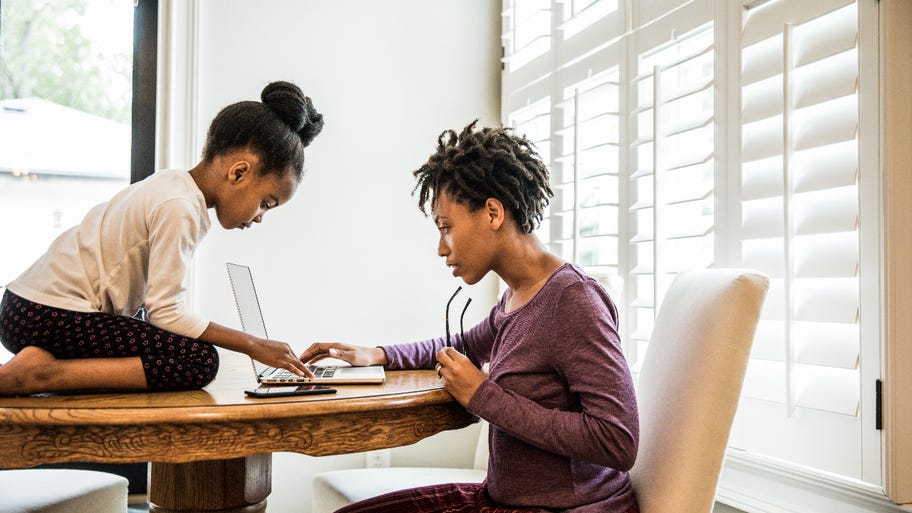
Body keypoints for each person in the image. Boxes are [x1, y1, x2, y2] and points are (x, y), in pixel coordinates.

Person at [300, 121, 639, 513]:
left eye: (447, 228)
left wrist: (483, 396)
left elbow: (618, 439)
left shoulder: (574, 300)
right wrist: (375, 354)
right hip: (498, 500)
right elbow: (459, 346)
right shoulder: (516, 297)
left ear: (492, 212)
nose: (441, 249)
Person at [0, 81, 323, 395]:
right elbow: (165, 311)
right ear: (239, 172)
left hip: (25, 308)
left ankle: (44, 364)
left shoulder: (173, 185)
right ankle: (41, 373)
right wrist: (251, 344)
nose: (259, 217)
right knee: (198, 360)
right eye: (265, 203)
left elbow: (156, 310)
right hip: (44, 315)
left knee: (175, 347)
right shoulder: (180, 208)